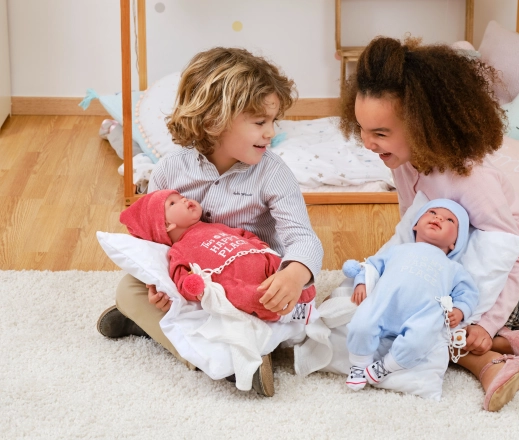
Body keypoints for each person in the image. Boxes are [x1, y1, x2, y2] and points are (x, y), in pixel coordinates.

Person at [96, 47, 324, 398]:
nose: (270, 133)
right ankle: (224, 362)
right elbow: (153, 239)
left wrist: (293, 275)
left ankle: (150, 326)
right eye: (260, 122)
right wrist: (157, 282)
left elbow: (304, 239)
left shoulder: (273, 173)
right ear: (214, 120)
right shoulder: (170, 169)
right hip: (193, 281)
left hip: (248, 287)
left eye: (273, 121)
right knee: (130, 289)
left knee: (273, 316)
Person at [338, 36, 519, 411]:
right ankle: (501, 346)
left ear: (422, 126)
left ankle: (496, 355)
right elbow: (411, 233)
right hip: (445, 264)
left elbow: (510, 255)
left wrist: (484, 324)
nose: (367, 143)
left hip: (503, 280)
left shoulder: (472, 178)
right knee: (377, 313)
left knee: (430, 329)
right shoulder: (404, 161)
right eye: (362, 129)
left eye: (380, 133)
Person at [119, 188, 318, 324]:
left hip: (256, 256)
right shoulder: (178, 249)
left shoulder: (215, 226)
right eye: (173, 203)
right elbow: (180, 276)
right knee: (241, 295)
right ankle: (290, 315)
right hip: (235, 279)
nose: (184, 199)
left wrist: (260, 247)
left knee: (282, 269)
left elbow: (243, 234)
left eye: (181, 196)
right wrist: (193, 286)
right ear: (166, 225)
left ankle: (303, 300)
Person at [344, 198, 478, 391]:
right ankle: (359, 365)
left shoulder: (453, 268)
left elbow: (468, 293)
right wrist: (362, 282)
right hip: (384, 304)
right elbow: (372, 265)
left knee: (420, 342)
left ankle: (386, 366)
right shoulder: (397, 250)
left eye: (450, 220)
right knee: (361, 325)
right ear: (415, 225)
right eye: (432, 212)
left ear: (454, 243)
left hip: (422, 315)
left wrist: (460, 310)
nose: (438, 218)